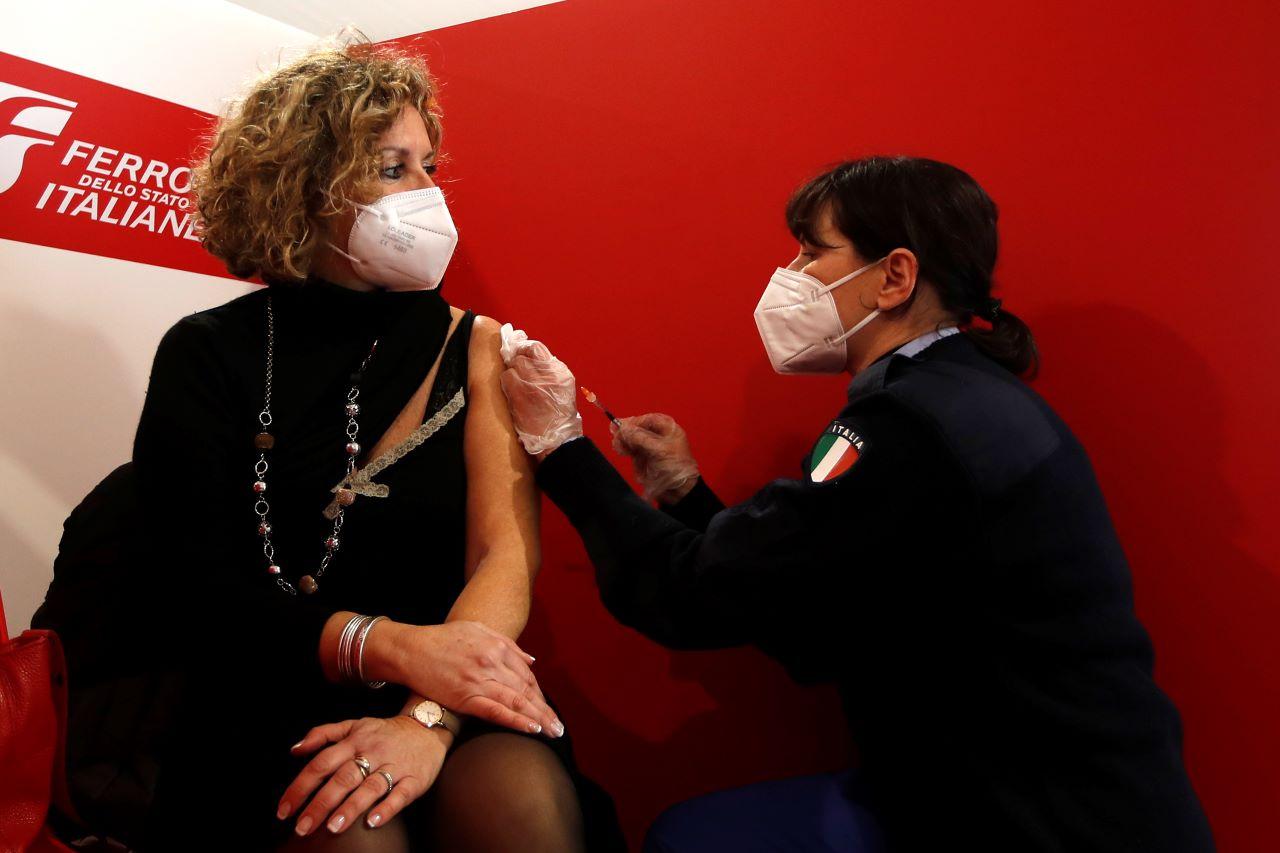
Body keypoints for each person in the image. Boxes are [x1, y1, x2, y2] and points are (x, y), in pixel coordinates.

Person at [499, 156, 1215, 851]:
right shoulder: (960, 398)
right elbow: (803, 602)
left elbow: (694, 595)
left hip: (1036, 821)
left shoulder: (910, 428)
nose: (790, 277)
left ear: (894, 276)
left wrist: (561, 447)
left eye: (812, 252)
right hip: (1053, 800)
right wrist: (685, 492)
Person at [41, 39, 623, 852]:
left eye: (429, 164)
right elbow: (202, 583)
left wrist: (427, 717)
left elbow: (505, 555)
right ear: (304, 190)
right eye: (393, 169)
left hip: (449, 696)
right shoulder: (208, 352)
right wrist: (390, 646)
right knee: (352, 832)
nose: (429, 194)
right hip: (265, 684)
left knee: (519, 801)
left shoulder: (479, 346)